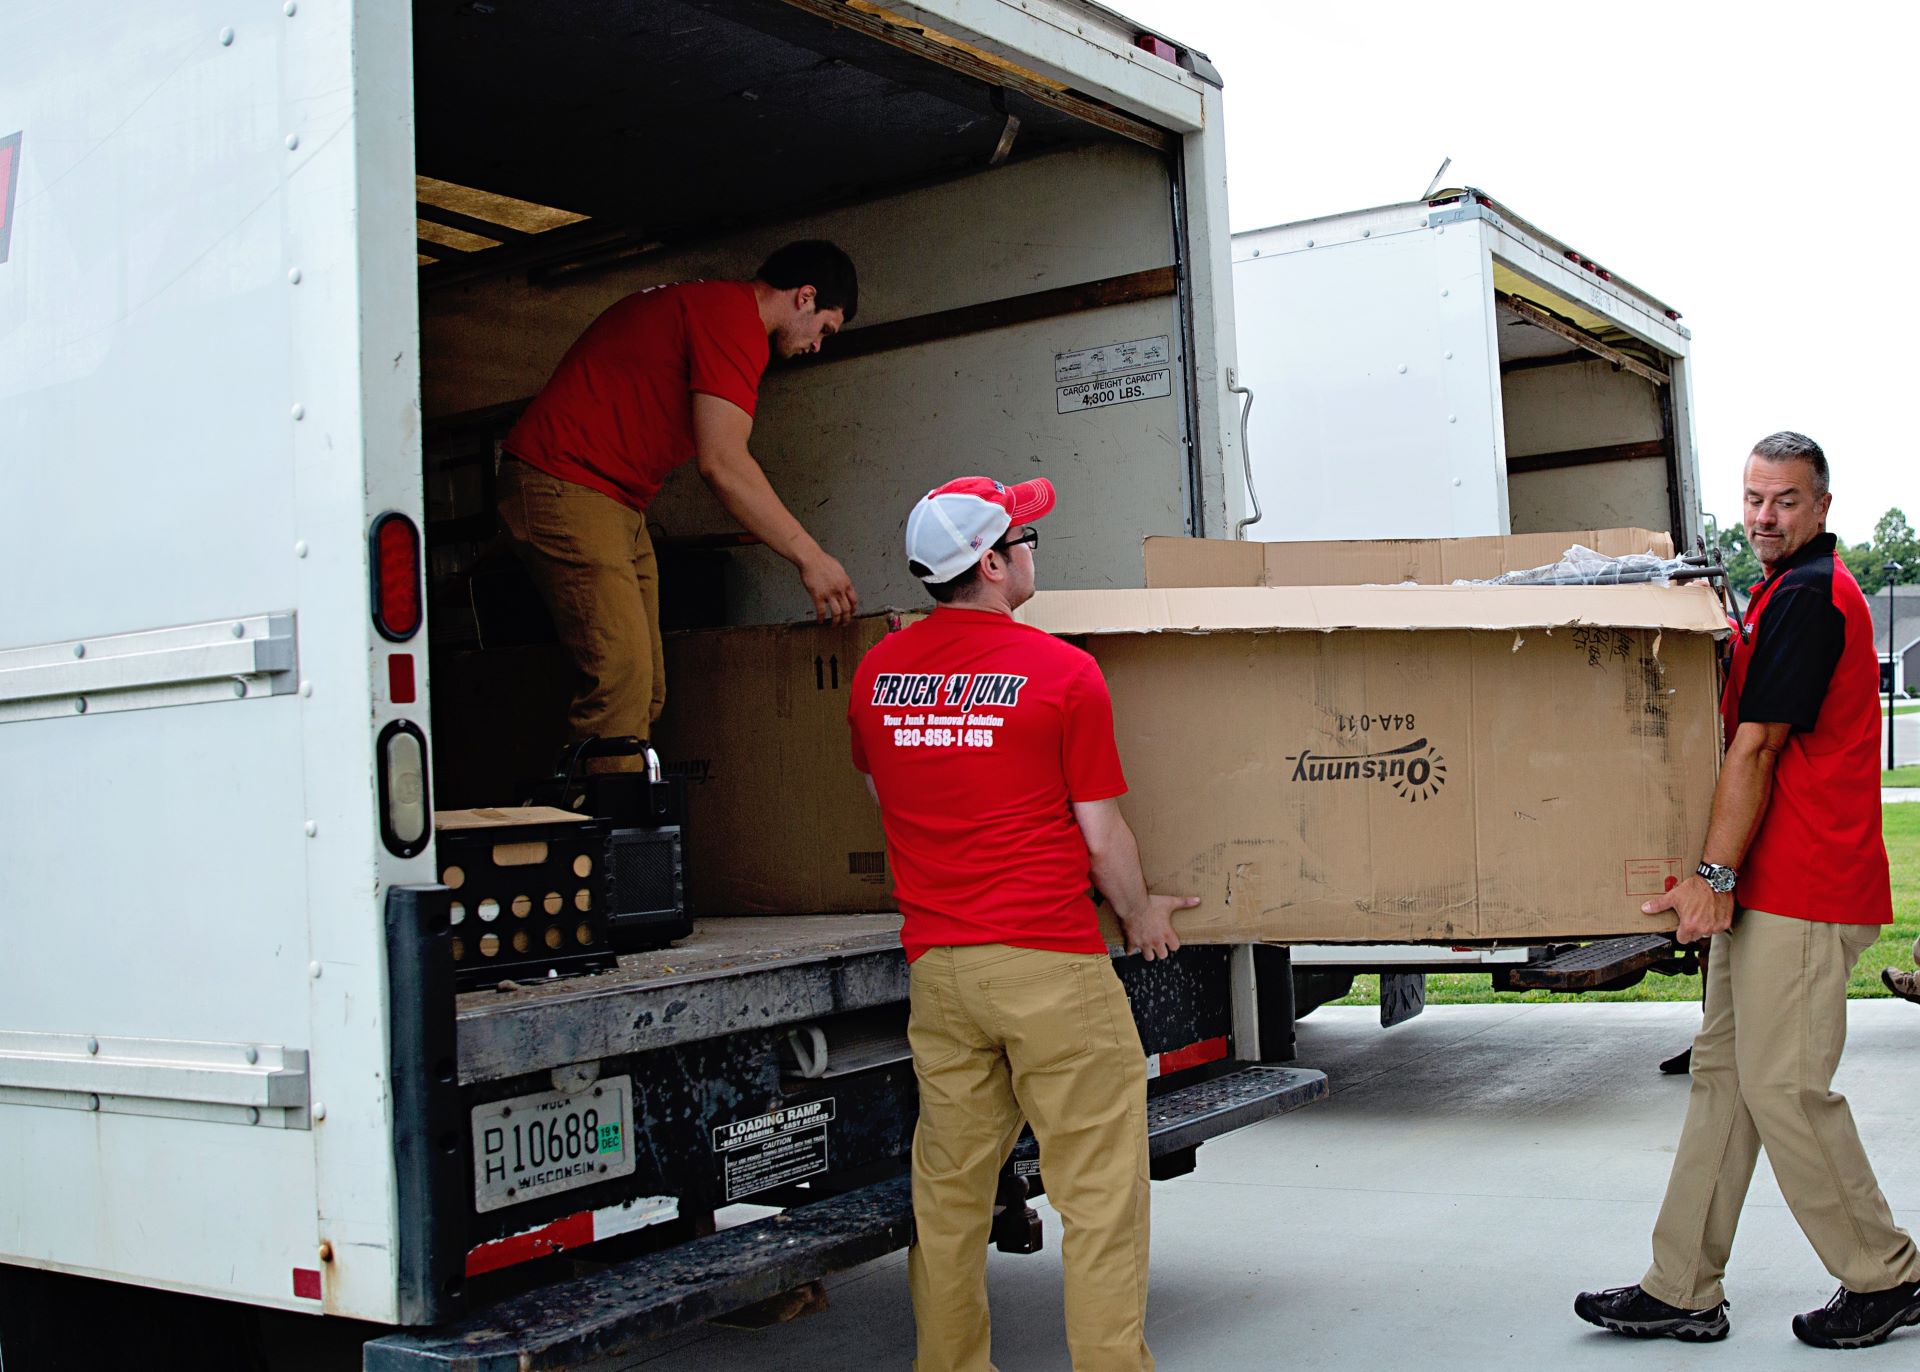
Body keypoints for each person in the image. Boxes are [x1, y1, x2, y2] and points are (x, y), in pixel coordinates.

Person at [1576, 432, 1920, 1349]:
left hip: (1806, 884)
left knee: (1783, 1087)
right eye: (1755, 498)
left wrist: (1711, 877)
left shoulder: (1811, 597)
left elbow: (1758, 747)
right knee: (1724, 1082)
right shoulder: (1776, 591)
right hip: (1770, 884)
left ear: (1822, 506)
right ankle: (1682, 1285)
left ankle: (1887, 1276)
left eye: (1786, 501)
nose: (1765, 517)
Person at [847, 476, 1196, 1372]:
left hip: (941, 970)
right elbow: (1102, 835)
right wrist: (1142, 913)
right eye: (1024, 538)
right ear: (994, 565)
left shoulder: (877, 674)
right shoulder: (1062, 673)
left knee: (949, 1198)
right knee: (1100, 1196)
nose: (1035, 550)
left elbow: (889, 800)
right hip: (1050, 965)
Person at [497, 241, 862, 770]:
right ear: (805, 297)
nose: (818, 346)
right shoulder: (733, 320)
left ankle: (613, 803)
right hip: (564, 481)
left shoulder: (714, 309)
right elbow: (723, 463)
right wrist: (811, 557)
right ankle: (599, 821)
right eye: (825, 328)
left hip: (615, 500)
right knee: (621, 679)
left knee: (647, 690)